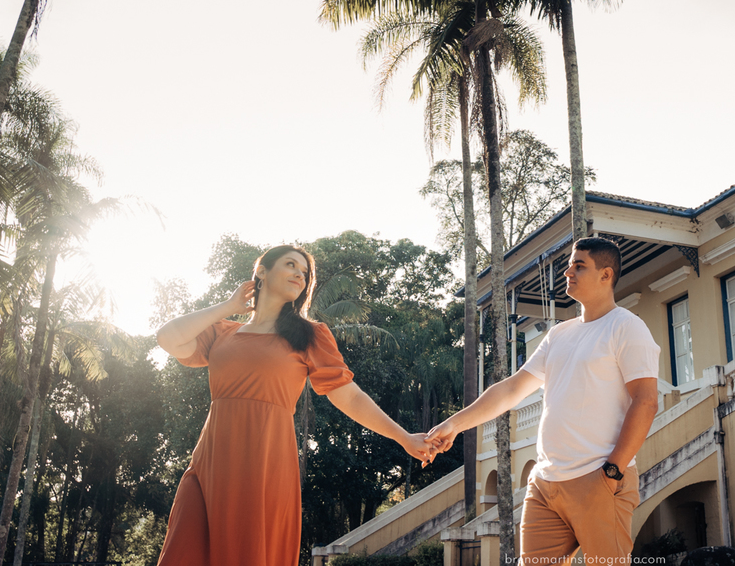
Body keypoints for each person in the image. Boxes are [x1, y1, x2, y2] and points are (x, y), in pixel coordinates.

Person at [155, 244, 434, 566]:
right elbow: (167, 338)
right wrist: (230, 305)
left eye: (305, 273)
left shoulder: (310, 335)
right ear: (261, 271)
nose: (300, 275)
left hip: (264, 465)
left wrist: (403, 437)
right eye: (291, 265)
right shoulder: (221, 332)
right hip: (210, 464)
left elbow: (349, 395)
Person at [426, 237, 661, 566]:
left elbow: (646, 402)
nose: (568, 272)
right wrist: (454, 424)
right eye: (570, 265)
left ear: (606, 274)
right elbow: (512, 389)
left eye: (579, 265)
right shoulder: (559, 334)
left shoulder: (627, 327)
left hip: (597, 479)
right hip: (546, 485)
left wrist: (612, 471)